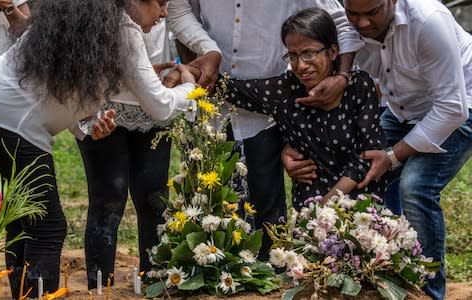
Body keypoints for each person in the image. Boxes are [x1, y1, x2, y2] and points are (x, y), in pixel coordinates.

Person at [0, 0, 197, 298]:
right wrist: (189, 88)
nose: (164, 13)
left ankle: (23, 294)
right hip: (15, 126)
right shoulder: (123, 29)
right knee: (48, 228)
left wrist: (91, 121)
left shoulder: (74, 15)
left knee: (23, 218)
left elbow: (56, 88)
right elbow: (161, 106)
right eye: (160, 3)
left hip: (0, 108)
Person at [284, 0, 472, 298]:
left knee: (415, 187)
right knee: (361, 167)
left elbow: (452, 109)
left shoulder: (428, 22)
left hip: (459, 104)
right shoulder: (357, 20)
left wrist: (393, 156)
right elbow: (346, 33)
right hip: (403, 109)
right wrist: (343, 75)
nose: (361, 23)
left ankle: (428, 292)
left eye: (371, 13)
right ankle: (379, 272)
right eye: (353, 13)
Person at [166, 0, 363, 259]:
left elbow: (343, 26)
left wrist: (342, 77)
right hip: (209, 110)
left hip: (268, 115)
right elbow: (183, 17)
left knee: (268, 219)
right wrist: (197, 66)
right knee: (207, 215)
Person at [224, 8, 387, 208]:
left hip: (360, 206)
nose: (300, 66)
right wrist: (189, 73)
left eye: (309, 53)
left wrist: (324, 209)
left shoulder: (358, 87)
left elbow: (367, 157)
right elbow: (230, 90)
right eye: (293, 56)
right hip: (310, 208)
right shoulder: (286, 90)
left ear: (333, 51)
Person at [75, 19, 179, 289]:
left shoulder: (163, 13)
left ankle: (155, 281)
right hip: (103, 100)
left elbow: (179, 20)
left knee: (155, 197)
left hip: (155, 95)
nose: (162, 10)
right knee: (107, 197)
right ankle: (99, 287)